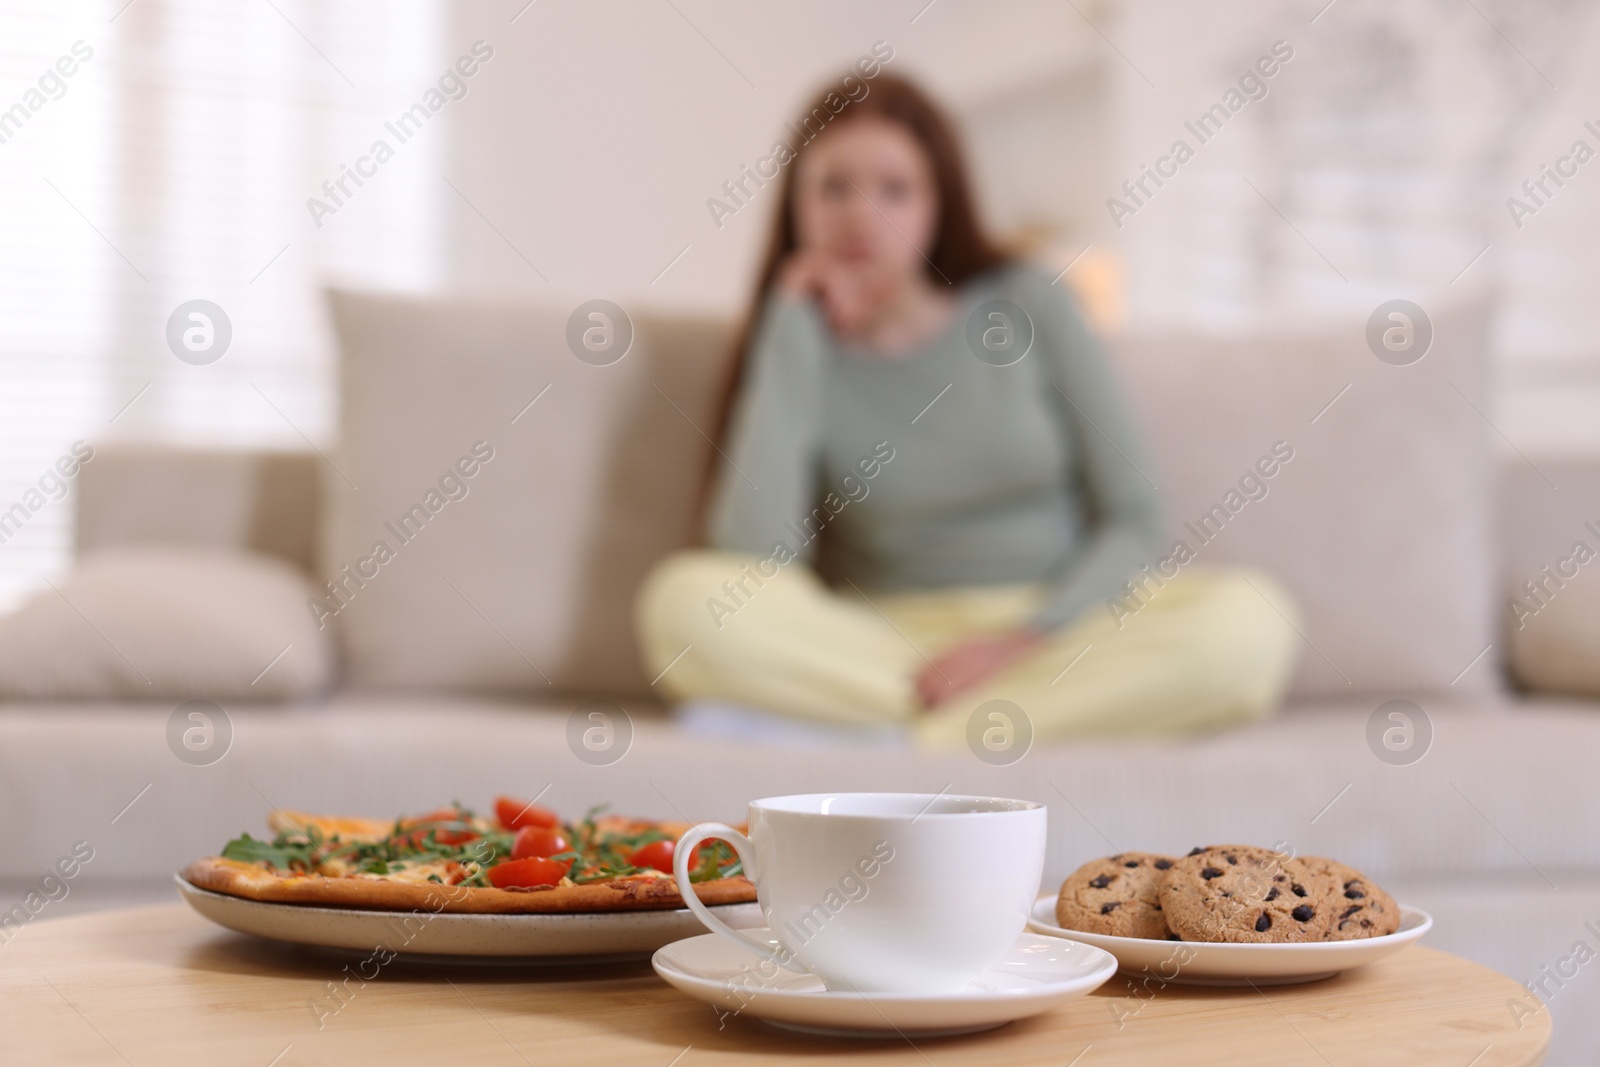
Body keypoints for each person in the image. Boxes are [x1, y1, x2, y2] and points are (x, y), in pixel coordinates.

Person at [634, 74, 1300, 748]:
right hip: (885, 647)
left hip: (1054, 629)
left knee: (1249, 622)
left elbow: (1135, 515)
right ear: (794, 206)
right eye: (834, 187)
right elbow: (757, 560)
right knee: (683, 605)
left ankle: (909, 735)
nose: (862, 215)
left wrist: (1026, 638)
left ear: (938, 204)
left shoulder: (1032, 302)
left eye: (895, 189)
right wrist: (791, 327)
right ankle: (987, 727)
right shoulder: (794, 344)